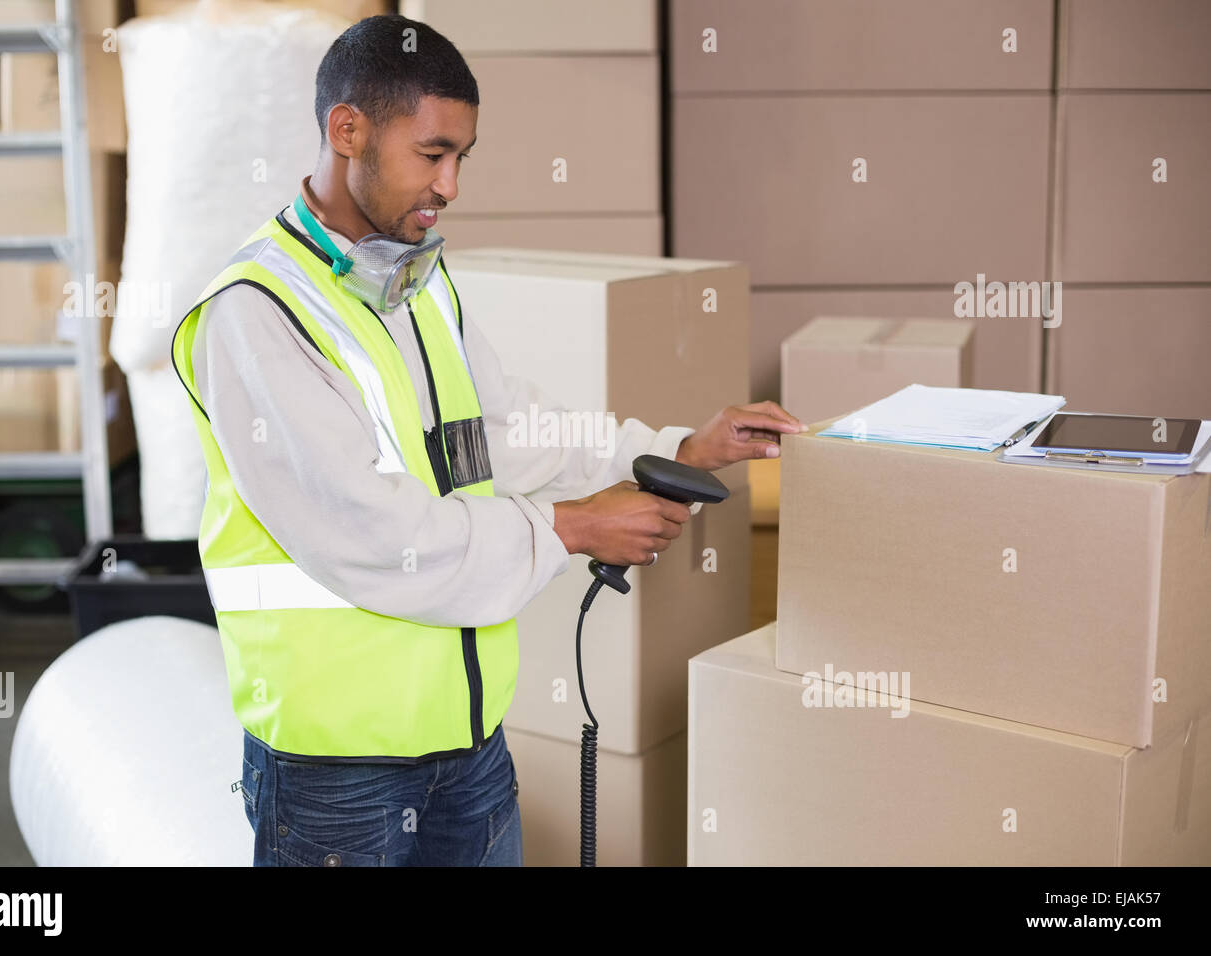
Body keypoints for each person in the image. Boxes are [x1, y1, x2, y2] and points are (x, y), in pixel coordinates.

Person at [170, 13, 804, 867]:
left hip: (466, 745)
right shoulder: (257, 314)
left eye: (461, 157)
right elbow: (376, 534)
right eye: (432, 154)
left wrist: (674, 449)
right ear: (346, 129)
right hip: (337, 776)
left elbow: (502, 436)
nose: (451, 184)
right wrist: (571, 527)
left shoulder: (413, 282)